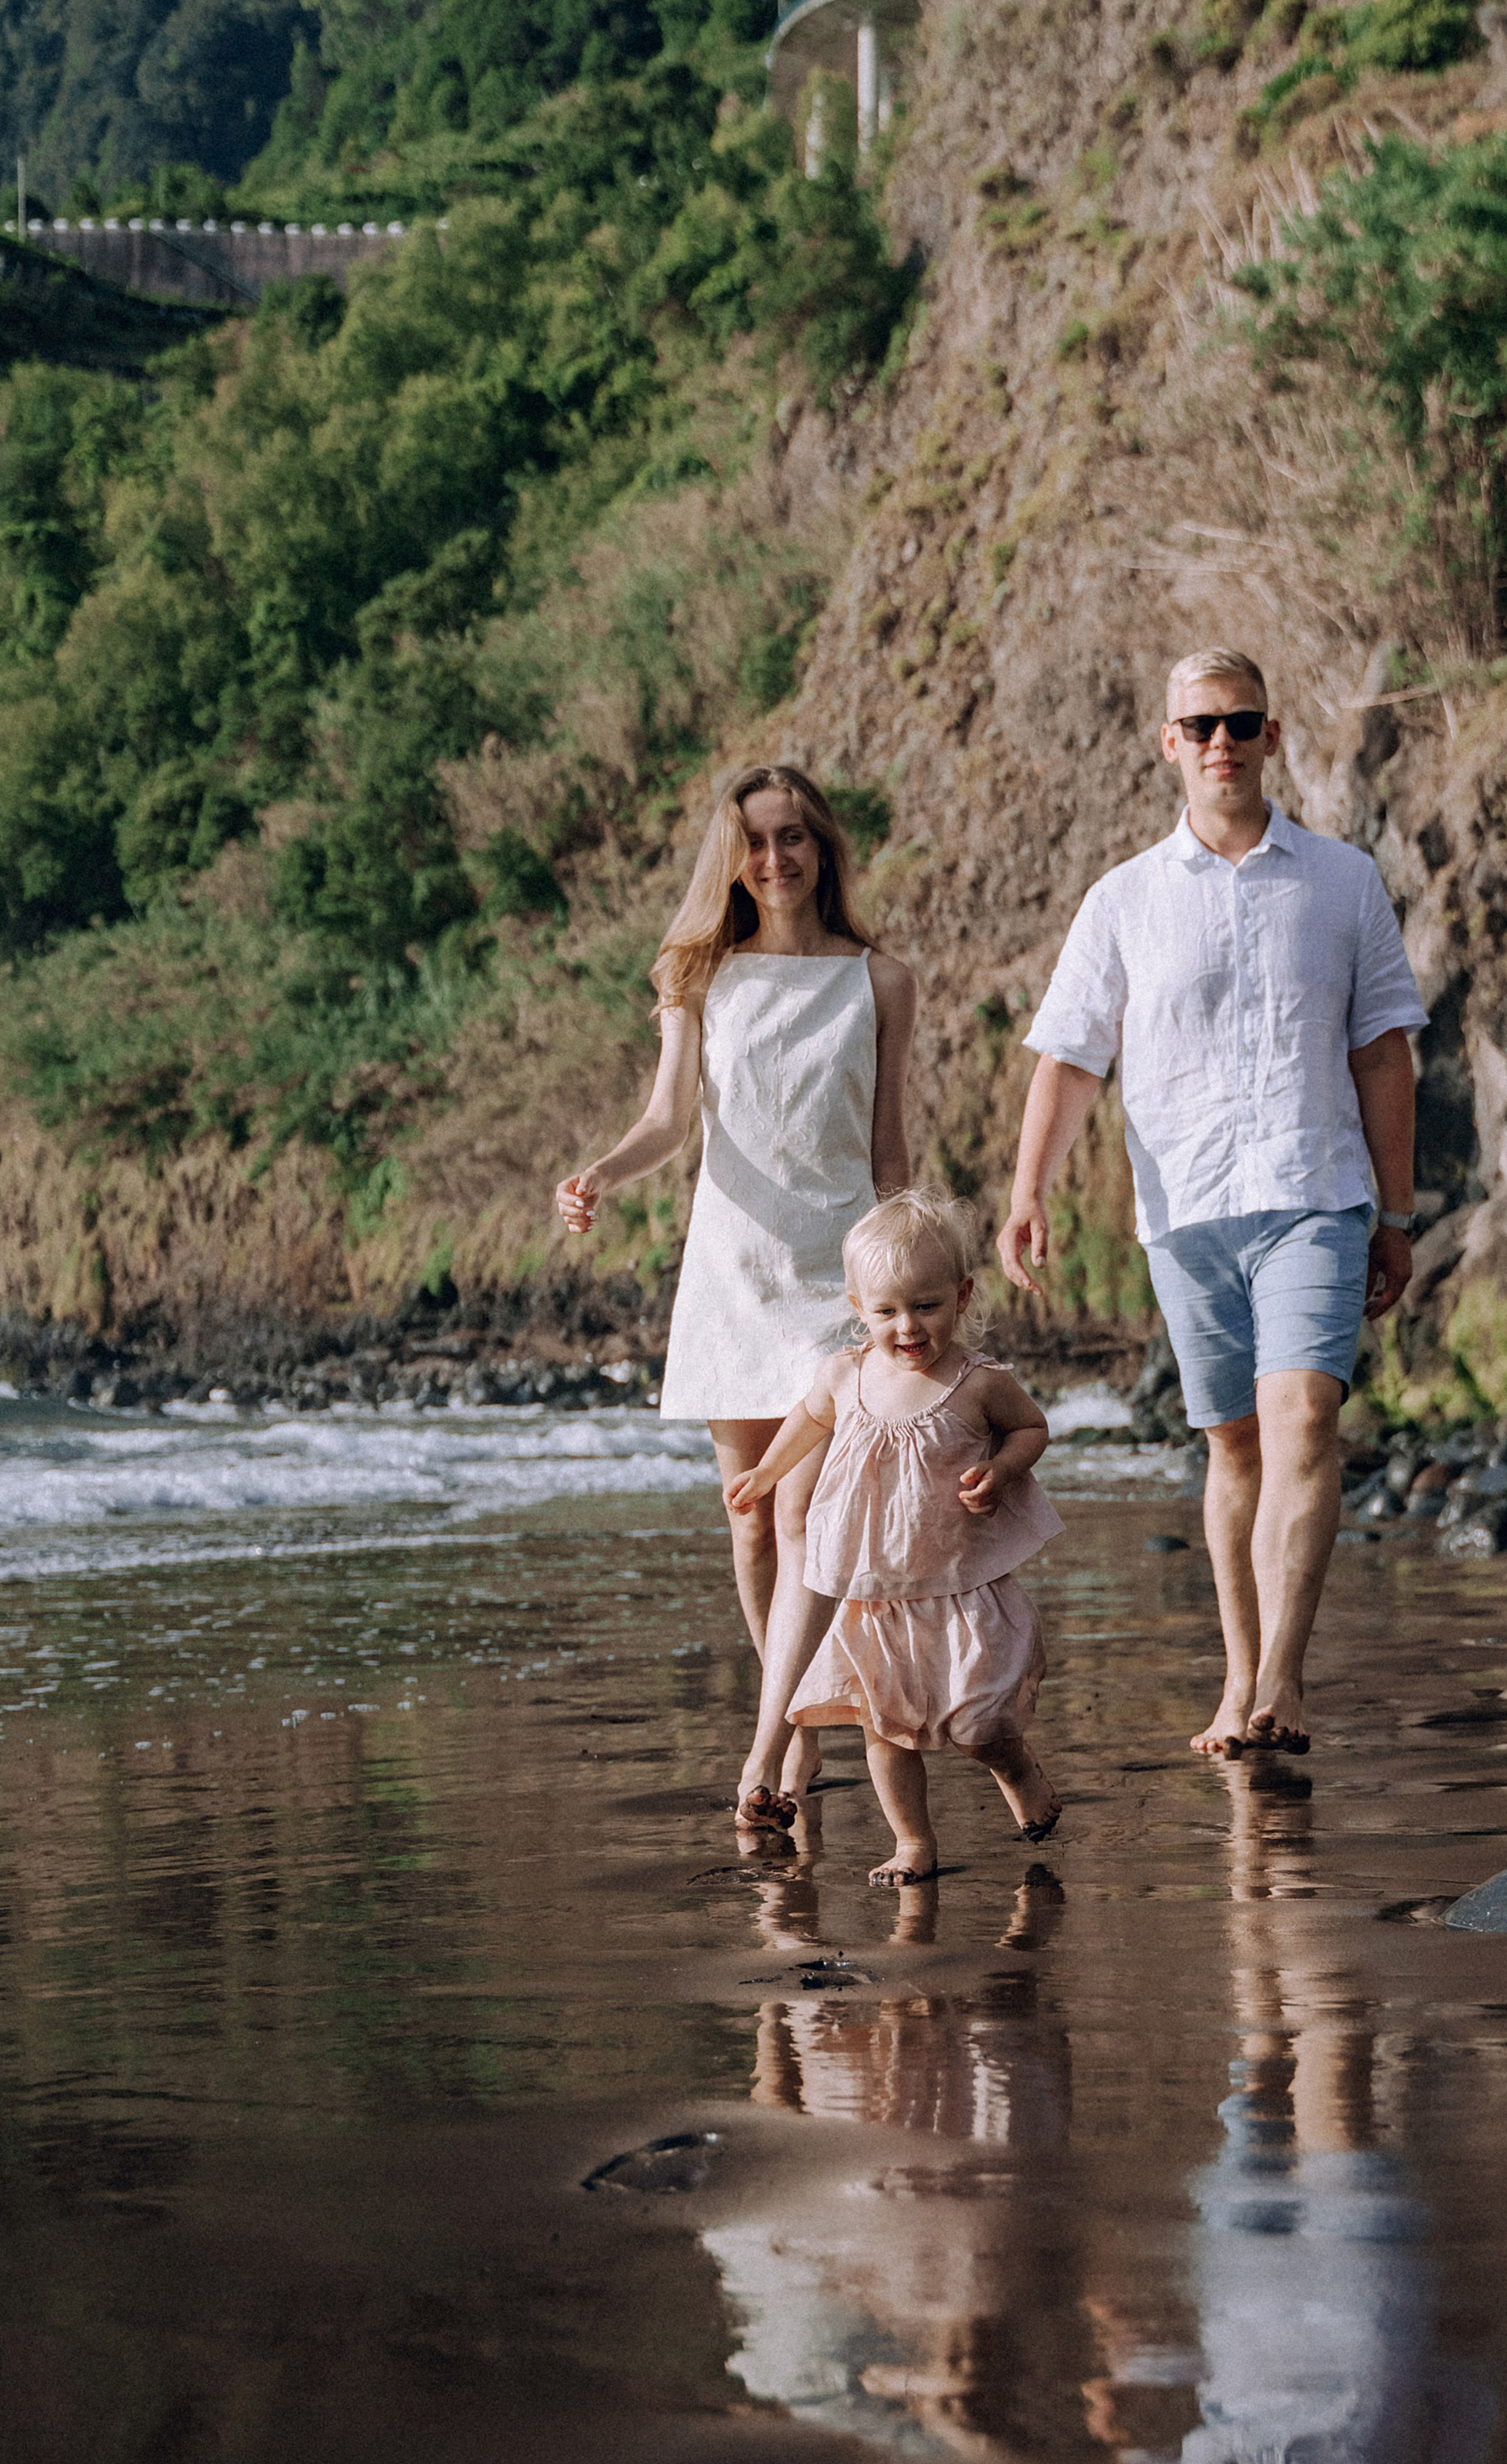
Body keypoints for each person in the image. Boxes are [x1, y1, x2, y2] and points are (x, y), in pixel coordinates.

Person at [997, 646, 1423, 1759]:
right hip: (1184, 1206)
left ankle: (1284, 1675)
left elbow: (1384, 1055)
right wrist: (1028, 1190)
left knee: (1303, 1421)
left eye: (1241, 723)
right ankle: (1238, 1679)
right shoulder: (1123, 899)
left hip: (1313, 1190)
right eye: (1200, 727)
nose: (1221, 743)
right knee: (1234, 1445)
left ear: (1273, 736)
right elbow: (1071, 1060)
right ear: (1169, 745)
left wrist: (1398, 1211)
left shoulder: (1345, 880)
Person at [554, 764, 916, 1821]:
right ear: (733, 858)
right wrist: (600, 1177)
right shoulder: (697, 975)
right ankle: (797, 1707)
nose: (778, 858)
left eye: (796, 836)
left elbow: (889, 1144)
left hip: (837, 1274)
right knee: (750, 1520)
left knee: (802, 1504)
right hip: (733, 1272)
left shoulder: (879, 979)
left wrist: (912, 1280)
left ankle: (774, 1747)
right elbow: (669, 1119)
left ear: (824, 848)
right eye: (757, 841)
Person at [725, 1190, 1063, 1881]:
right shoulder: (845, 1375)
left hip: (960, 1590)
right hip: (874, 1594)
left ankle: (1017, 1768)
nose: (907, 1327)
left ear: (963, 1296)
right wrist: (766, 1471)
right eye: (886, 1312)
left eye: (926, 1307)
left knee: (980, 1725)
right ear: (857, 1307)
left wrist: (1002, 1467)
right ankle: (913, 1843)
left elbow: (1033, 1428)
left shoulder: (977, 1383)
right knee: (885, 1729)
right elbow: (809, 1420)